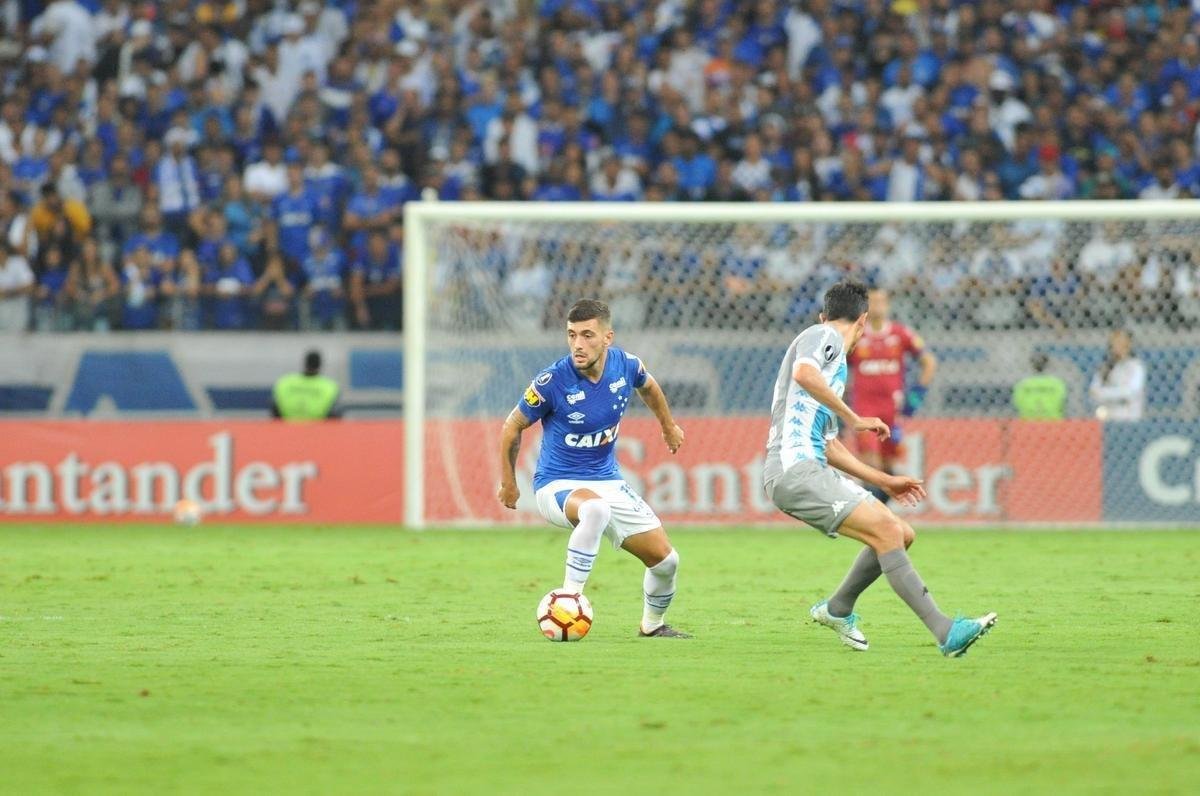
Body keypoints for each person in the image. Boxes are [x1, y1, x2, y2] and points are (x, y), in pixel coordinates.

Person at [763, 280, 996, 657]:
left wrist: (885, 480)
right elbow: (803, 374)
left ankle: (837, 608)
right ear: (863, 320)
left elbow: (829, 445)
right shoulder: (825, 335)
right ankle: (945, 631)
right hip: (795, 469)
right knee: (887, 531)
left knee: (901, 533)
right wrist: (854, 417)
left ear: (824, 313)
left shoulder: (834, 369)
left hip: (808, 466)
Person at [497, 299, 690, 638]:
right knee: (595, 509)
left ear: (607, 338)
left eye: (587, 335)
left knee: (666, 561)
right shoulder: (552, 381)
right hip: (556, 485)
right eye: (572, 335)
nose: (578, 344)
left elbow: (649, 387)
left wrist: (668, 426)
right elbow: (512, 427)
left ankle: (652, 626)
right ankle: (569, 600)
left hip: (608, 481)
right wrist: (509, 483)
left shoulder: (626, 365)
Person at [847, 287, 937, 502]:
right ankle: (872, 514)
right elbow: (837, 364)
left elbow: (929, 362)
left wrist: (916, 396)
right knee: (871, 463)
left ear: (888, 305)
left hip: (892, 410)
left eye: (881, 301)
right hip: (865, 409)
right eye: (872, 302)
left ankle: (881, 511)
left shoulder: (901, 333)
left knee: (888, 465)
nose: (877, 306)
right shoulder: (856, 335)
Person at [1089, 329, 1145, 421]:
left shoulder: (1136, 366)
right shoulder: (1106, 367)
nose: (1117, 346)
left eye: (1121, 342)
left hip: (1129, 416)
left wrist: (1104, 393)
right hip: (1108, 415)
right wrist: (1111, 393)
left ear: (1128, 344)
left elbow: (1132, 392)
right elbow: (1094, 391)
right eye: (1115, 343)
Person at [271, 350, 341, 420]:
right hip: (317, 425)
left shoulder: (285, 382)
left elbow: (275, 410)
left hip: (287, 425)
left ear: (305, 363)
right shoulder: (330, 386)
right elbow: (332, 413)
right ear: (320, 365)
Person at [1012, 353, 1067, 420]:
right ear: (1048, 365)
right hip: (1052, 421)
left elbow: (1017, 402)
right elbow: (1062, 402)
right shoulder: (1057, 383)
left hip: (1028, 421)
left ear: (1031, 365)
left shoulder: (1022, 384)